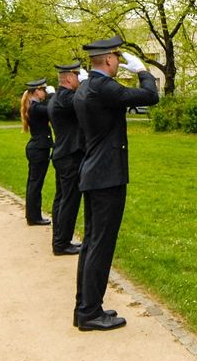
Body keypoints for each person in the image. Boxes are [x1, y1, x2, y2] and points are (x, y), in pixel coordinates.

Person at [72, 36, 159, 331]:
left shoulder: (85, 87)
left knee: (91, 244)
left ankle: (86, 307)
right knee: (100, 244)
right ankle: (89, 313)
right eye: (118, 59)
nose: (119, 63)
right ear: (109, 60)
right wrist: (143, 72)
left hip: (94, 173)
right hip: (106, 176)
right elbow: (150, 97)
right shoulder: (103, 87)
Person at [49, 61, 88, 256]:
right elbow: (84, 100)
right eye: (78, 77)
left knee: (61, 199)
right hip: (70, 155)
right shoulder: (66, 98)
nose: (80, 81)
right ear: (70, 78)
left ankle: (59, 239)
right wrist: (89, 84)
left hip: (62, 153)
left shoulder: (58, 97)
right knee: (69, 201)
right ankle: (62, 243)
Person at [20, 78, 54, 226]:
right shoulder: (35, 108)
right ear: (36, 92)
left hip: (37, 147)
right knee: (35, 184)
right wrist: (53, 95)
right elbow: (51, 109)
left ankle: (32, 215)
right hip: (39, 149)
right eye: (43, 90)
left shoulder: (34, 106)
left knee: (33, 183)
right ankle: (34, 217)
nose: (45, 93)